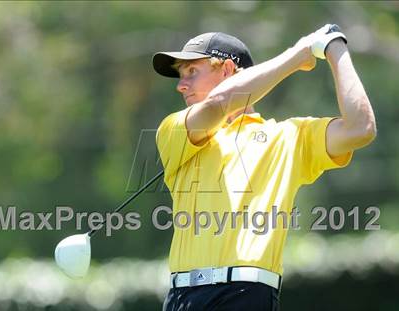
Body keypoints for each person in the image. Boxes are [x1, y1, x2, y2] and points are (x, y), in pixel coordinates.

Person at [152, 26, 376, 311]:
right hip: (182, 297)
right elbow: (220, 104)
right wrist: (300, 54)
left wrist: (335, 46)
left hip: (246, 296)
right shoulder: (173, 129)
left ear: (228, 70)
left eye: (191, 72)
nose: (180, 85)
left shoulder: (290, 137)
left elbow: (361, 128)